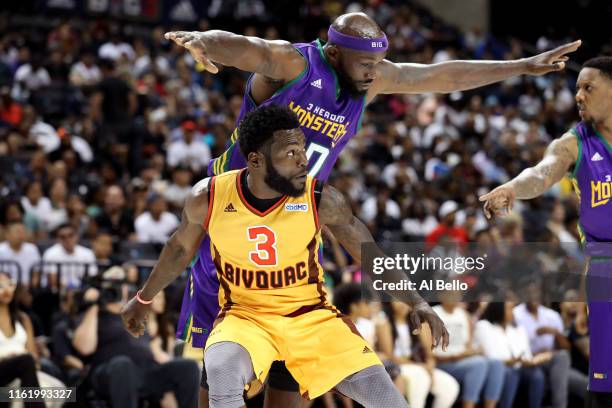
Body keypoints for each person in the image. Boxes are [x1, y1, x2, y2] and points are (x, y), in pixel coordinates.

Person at [166, 12, 581, 406]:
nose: (373, 70)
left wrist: (521, 66)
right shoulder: (293, 65)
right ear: (333, 53)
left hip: (297, 222)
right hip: (234, 217)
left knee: (290, 361)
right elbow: (247, 48)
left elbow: (443, 75)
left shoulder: (370, 78)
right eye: (365, 62)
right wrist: (204, 42)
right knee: (220, 368)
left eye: (378, 62)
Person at [121, 105, 448, 408]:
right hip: (245, 318)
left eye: (302, 149)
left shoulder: (321, 198)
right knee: (221, 373)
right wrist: (144, 298)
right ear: (255, 161)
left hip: (310, 317)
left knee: (389, 400)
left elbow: (369, 253)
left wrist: (417, 302)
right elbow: (179, 249)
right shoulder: (209, 197)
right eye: (290, 152)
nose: (303, 160)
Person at [479, 56, 612, 408]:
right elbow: (541, 173)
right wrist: (511, 188)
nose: (578, 95)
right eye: (577, 88)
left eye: (589, 87)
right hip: (604, 265)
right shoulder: (575, 142)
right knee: (605, 384)